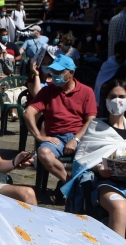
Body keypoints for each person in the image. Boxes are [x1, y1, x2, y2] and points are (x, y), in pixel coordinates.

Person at [65, 80, 126, 237]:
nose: (117, 100)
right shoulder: (96, 127)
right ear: (105, 101)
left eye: (121, 96)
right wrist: (98, 168)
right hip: (108, 184)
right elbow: (81, 159)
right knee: (119, 207)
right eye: (112, 97)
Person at [23, 55, 97, 201]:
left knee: (94, 157)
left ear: (71, 73)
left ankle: (72, 189)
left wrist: (75, 139)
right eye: (53, 73)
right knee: (43, 153)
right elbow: (28, 113)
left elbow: (91, 120)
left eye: (59, 72)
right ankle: (71, 184)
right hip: (55, 137)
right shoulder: (47, 91)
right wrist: (38, 136)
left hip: (80, 136)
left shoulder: (87, 91)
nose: (55, 76)